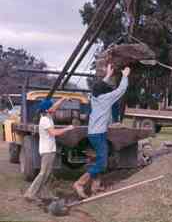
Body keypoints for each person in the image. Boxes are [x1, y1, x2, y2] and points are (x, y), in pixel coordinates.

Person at [73, 63, 130, 198]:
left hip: (95, 132)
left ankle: (95, 187)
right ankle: (80, 183)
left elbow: (99, 86)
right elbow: (121, 90)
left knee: (99, 159)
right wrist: (125, 76)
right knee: (102, 163)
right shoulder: (105, 99)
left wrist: (108, 75)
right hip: (98, 134)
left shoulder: (94, 96)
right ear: (104, 92)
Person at [24, 97, 74, 202]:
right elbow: (54, 133)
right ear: (47, 110)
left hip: (50, 149)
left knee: (48, 173)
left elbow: (54, 107)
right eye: (51, 107)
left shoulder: (48, 116)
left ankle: (45, 194)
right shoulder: (45, 120)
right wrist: (68, 128)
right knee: (43, 173)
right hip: (46, 150)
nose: (54, 108)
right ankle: (30, 193)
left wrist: (63, 99)